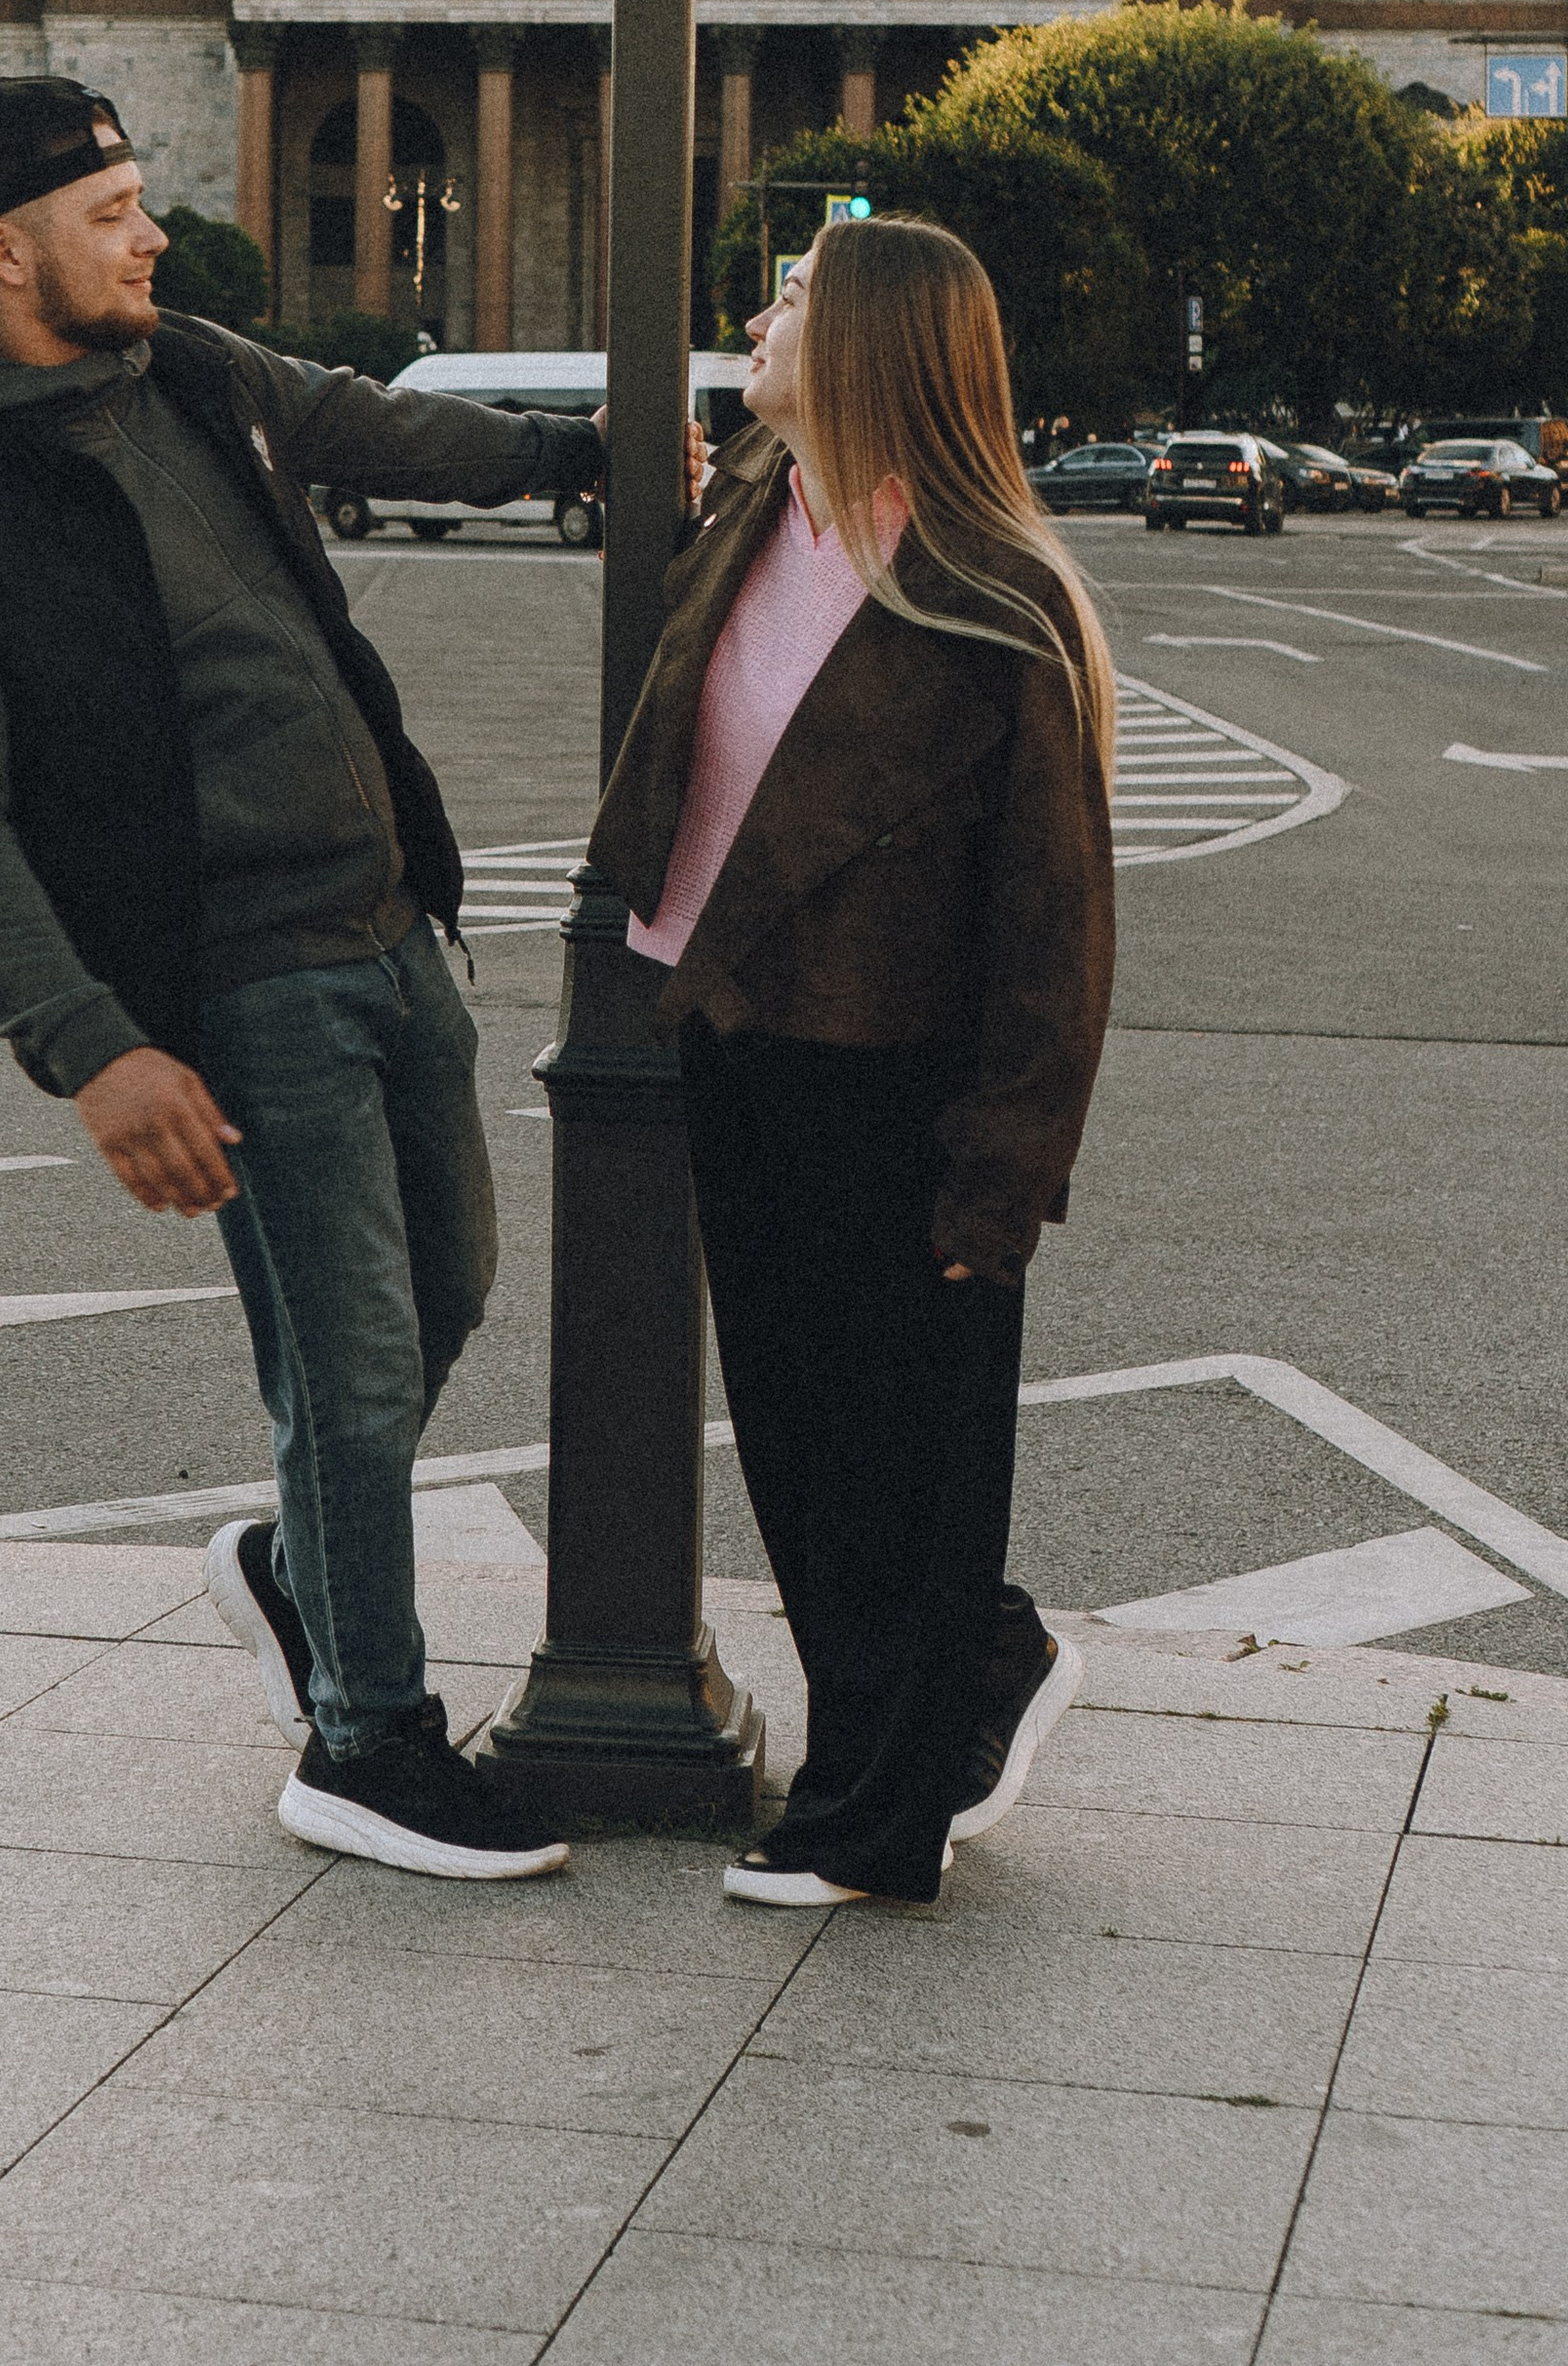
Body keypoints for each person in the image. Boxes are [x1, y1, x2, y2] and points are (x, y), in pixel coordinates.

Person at [0, 77, 610, 1882]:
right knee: (351, 1369)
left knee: (448, 1296)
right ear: (6, 248)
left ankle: (301, 1567)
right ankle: (365, 1740)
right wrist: (97, 1054)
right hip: (239, 978)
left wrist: (578, 457)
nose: (152, 234)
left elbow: (368, 426)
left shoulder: (187, 369)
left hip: (384, 931)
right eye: (114, 210)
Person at [592, 215, 1115, 1909]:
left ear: (884, 347)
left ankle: (875, 1824)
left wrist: (1005, 1171)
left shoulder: (993, 597)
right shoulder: (757, 512)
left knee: (902, 1464)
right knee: (806, 1454)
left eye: (801, 299)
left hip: (903, 1071)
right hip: (739, 1029)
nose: (763, 311)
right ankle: (976, 1664)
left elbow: (1056, 924)